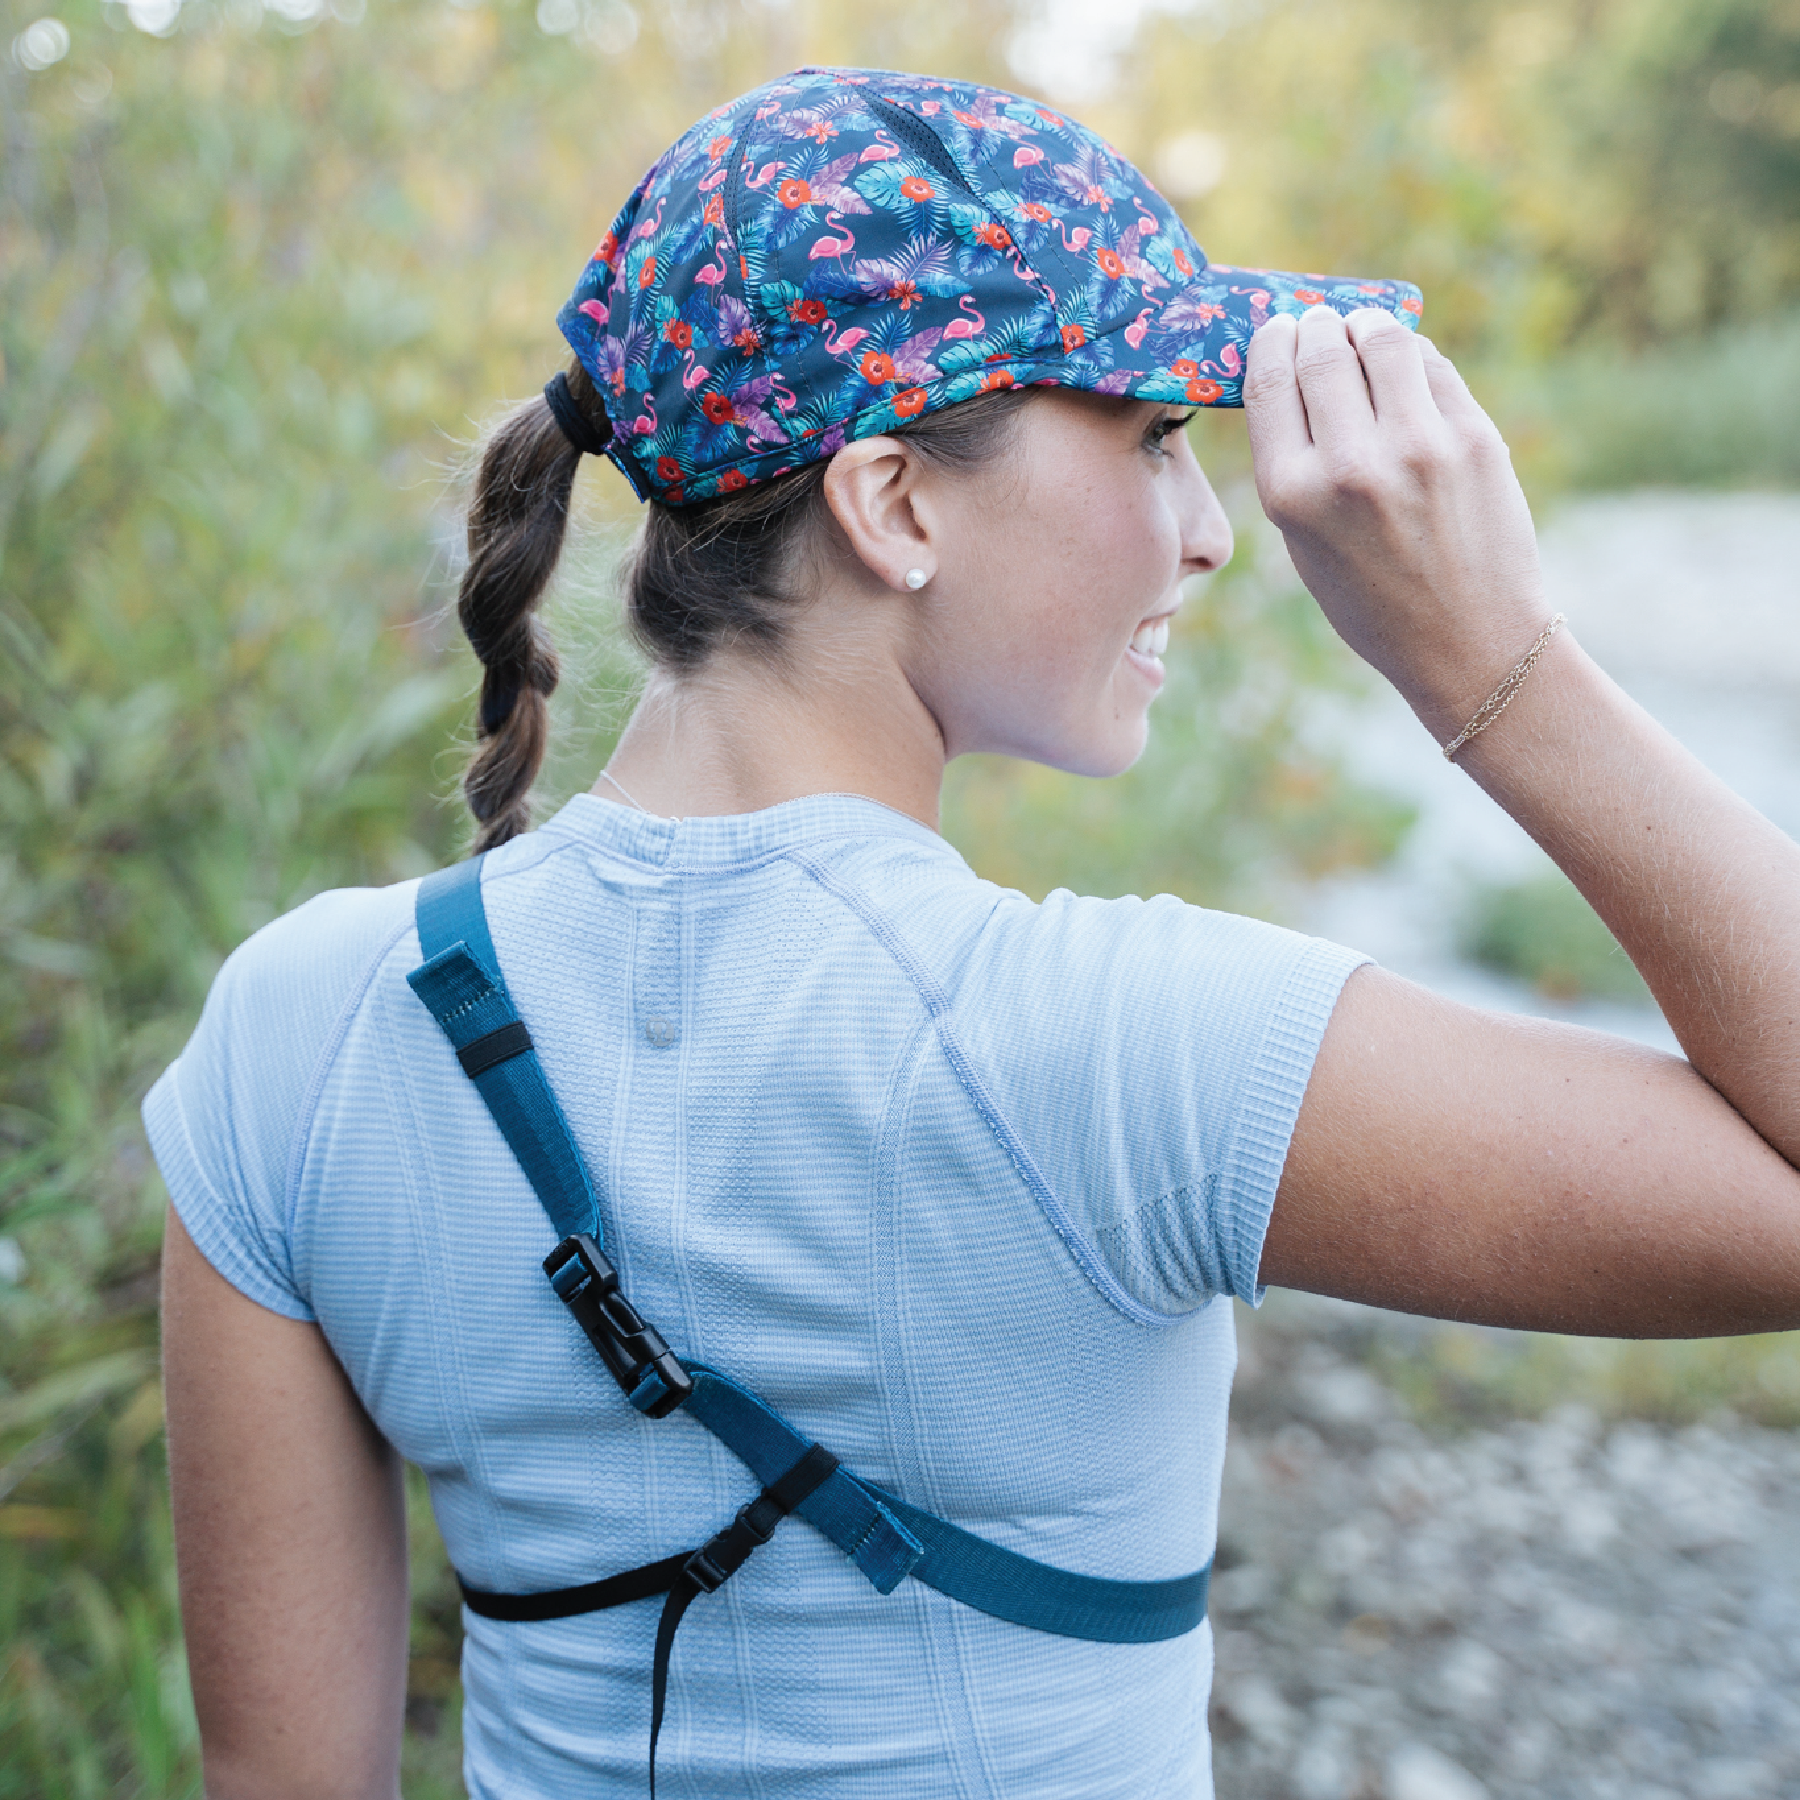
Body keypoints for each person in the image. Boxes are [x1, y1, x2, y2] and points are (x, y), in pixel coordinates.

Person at [150, 64, 1800, 1800]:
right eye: (1156, 434)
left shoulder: (303, 1032)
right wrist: (1496, 667)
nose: (1211, 528)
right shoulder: (1130, 1048)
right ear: (895, 503)